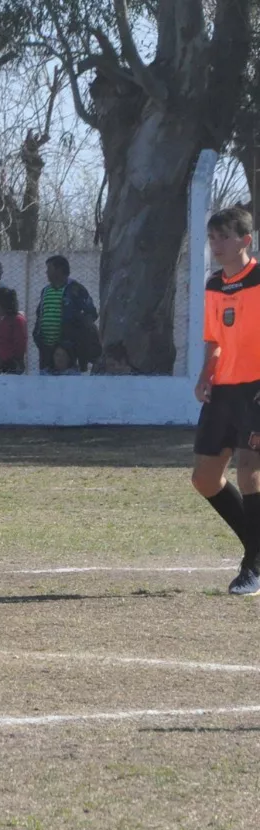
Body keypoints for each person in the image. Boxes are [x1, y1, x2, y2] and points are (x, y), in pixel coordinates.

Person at [191, 206, 260, 595]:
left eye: (224, 237)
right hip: (224, 390)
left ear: (245, 241)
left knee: (250, 472)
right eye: (212, 237)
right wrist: (206, 375)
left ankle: (252, 567)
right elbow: (215, 339)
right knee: (204, 479)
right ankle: (257, 547)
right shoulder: (215, 285)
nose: (216, 244)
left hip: (257, 387)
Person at [33, 256, 97, 373]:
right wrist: (37, 335)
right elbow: (40, 314)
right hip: (46, 348)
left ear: (59, 270)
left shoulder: (76, 290)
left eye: (49, 269)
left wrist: (77, 334)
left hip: (67, 348)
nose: (46, 272)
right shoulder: (46, 291)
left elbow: (91, 313)